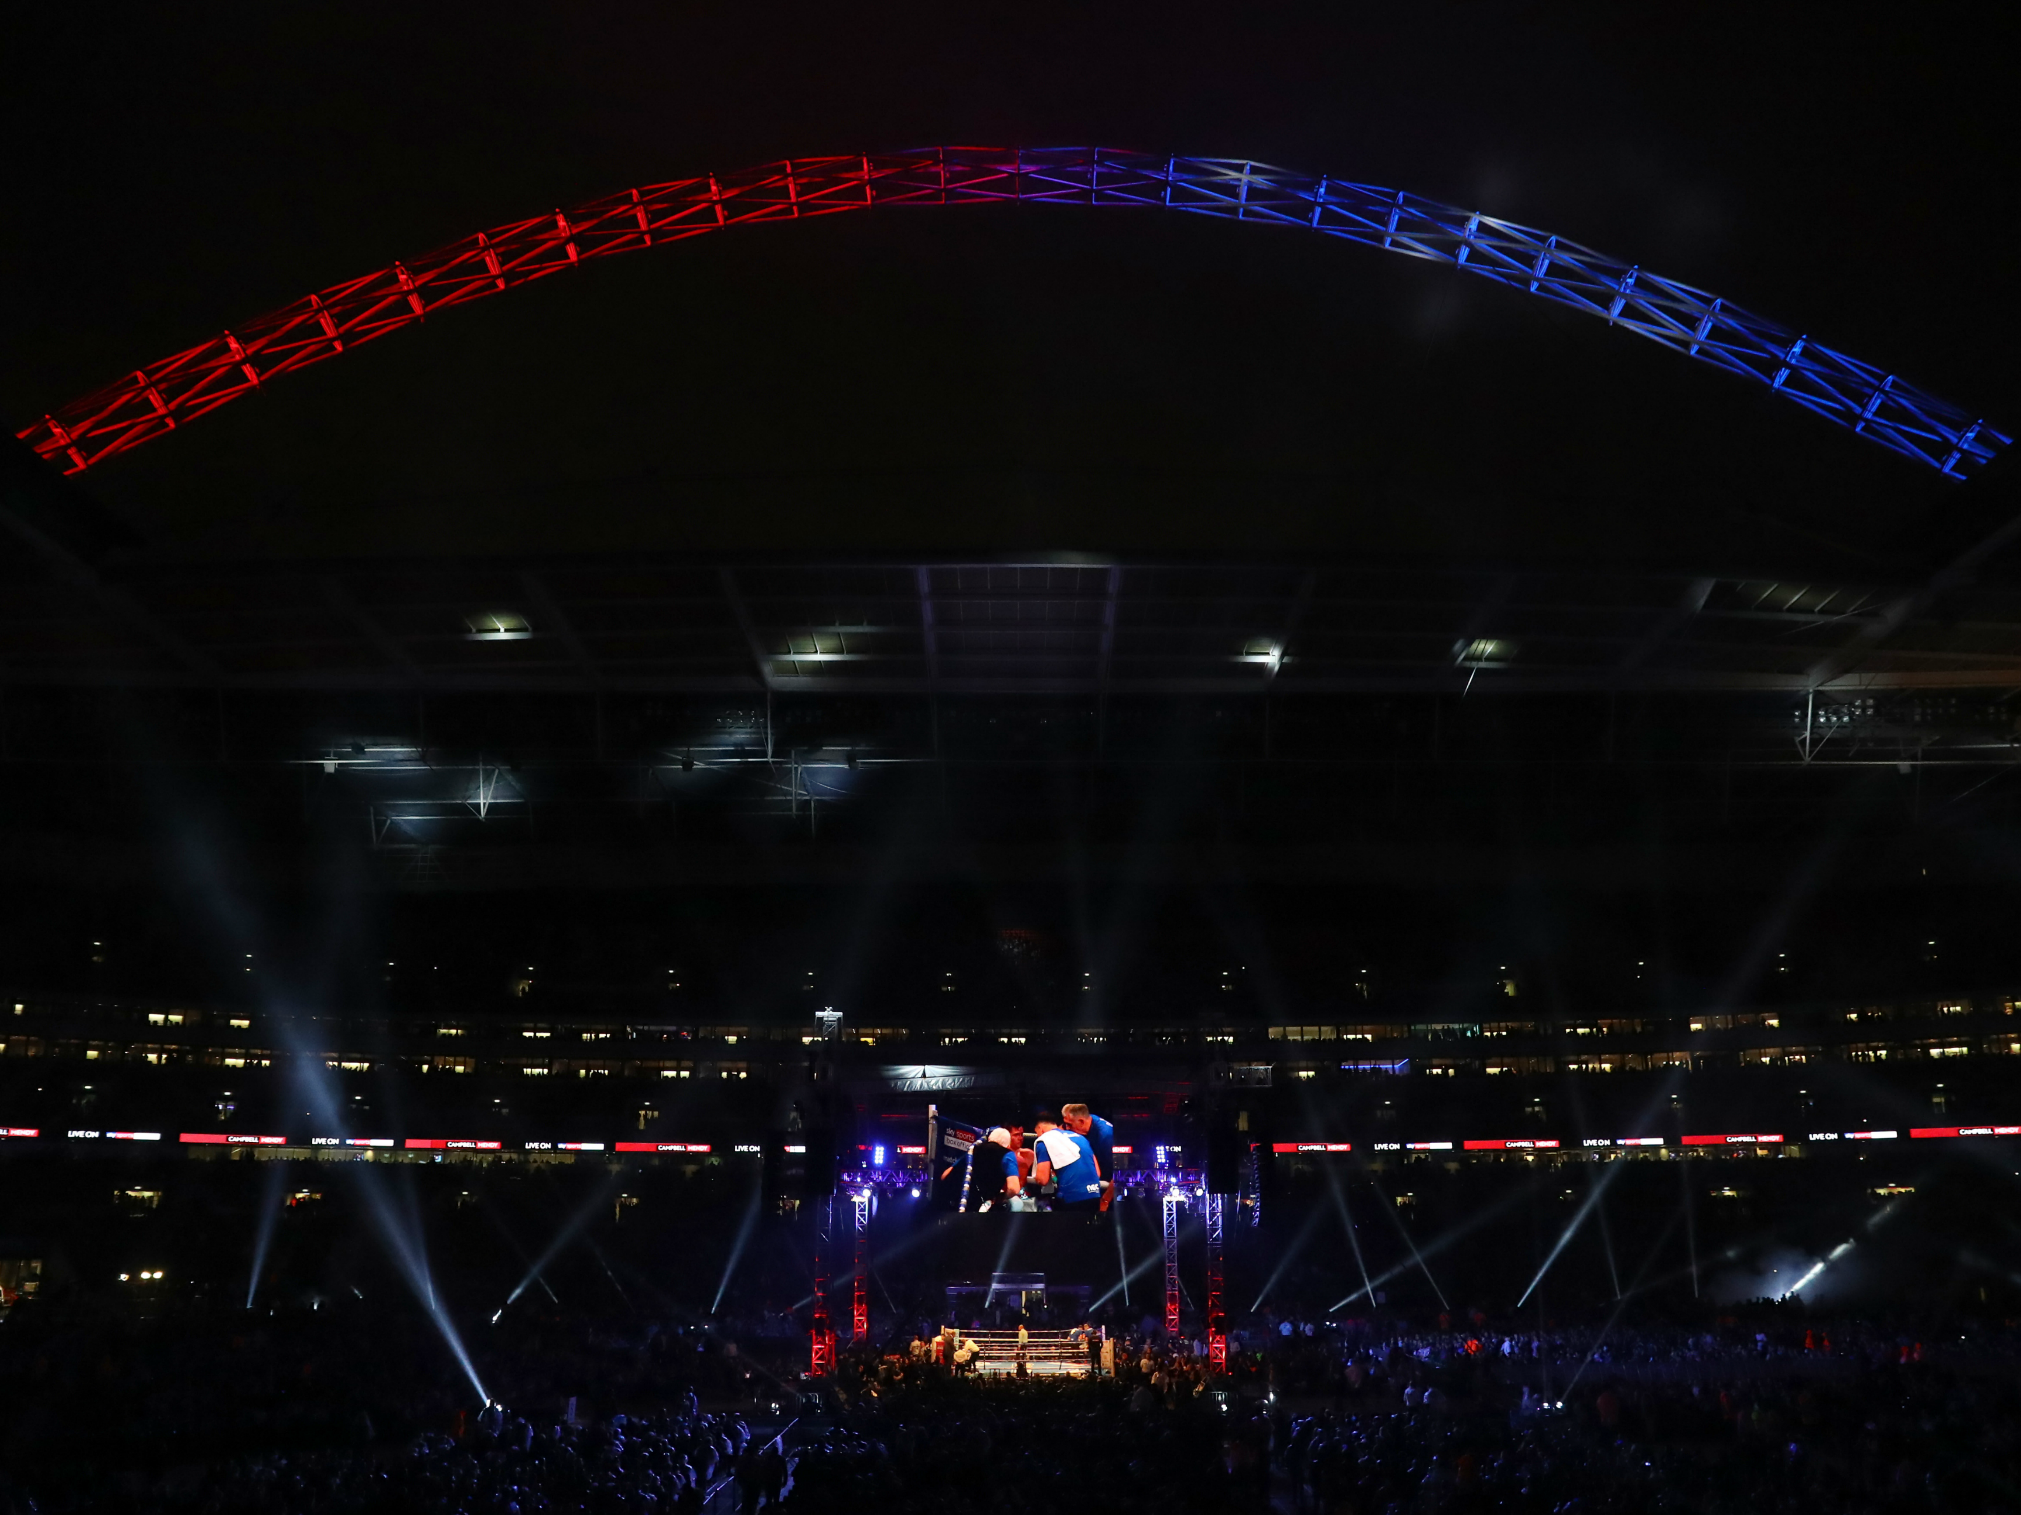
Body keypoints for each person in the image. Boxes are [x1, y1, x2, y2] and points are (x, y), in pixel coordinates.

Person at [1031, 1116, 1103, 1210]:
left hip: (1071, 1199)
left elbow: (1042, 1179)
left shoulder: (1044, 1141)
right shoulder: (1080, 1137)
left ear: (1040, 1129)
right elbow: (1097, 1173)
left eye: (1037, 1133)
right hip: (1095, 1195)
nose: (1038, 1136)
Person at [1061, 1103, 1115, 1208]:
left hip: (1109, 1188)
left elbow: (1120, 1174)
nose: (1066, 1129)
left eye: (1069, 1125)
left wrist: (1105, 1200)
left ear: (1081, 1122)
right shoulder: (1088, 1120)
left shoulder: (1106, 1136)